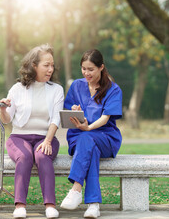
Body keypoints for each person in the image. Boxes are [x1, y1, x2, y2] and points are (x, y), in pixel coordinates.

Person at [0, 44, 64, 219]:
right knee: (25, 156)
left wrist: (48, 141)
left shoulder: (57, 90)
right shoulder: (17, 89)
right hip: (19, 137)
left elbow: (55, 119)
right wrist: (4, 109)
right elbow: (7, 119)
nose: (50, 69)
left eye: (52, 65)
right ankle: (20, 205)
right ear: (34, 65)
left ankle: (50, 205)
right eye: (46, 65)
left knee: (42, 155)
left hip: (46, 137)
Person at [60, 49, 123, 218]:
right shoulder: (76, 86)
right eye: (83, 68)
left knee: (88, 139)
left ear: (101, 67)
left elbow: (105, 118)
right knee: (90, 148)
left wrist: (88, 128)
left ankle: (76, 189)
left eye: (91, 69)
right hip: (78, 137)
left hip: (106, 137)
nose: (86, 73)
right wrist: (74, 110)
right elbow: (67, 111)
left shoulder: (113, 89)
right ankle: (93, 205)